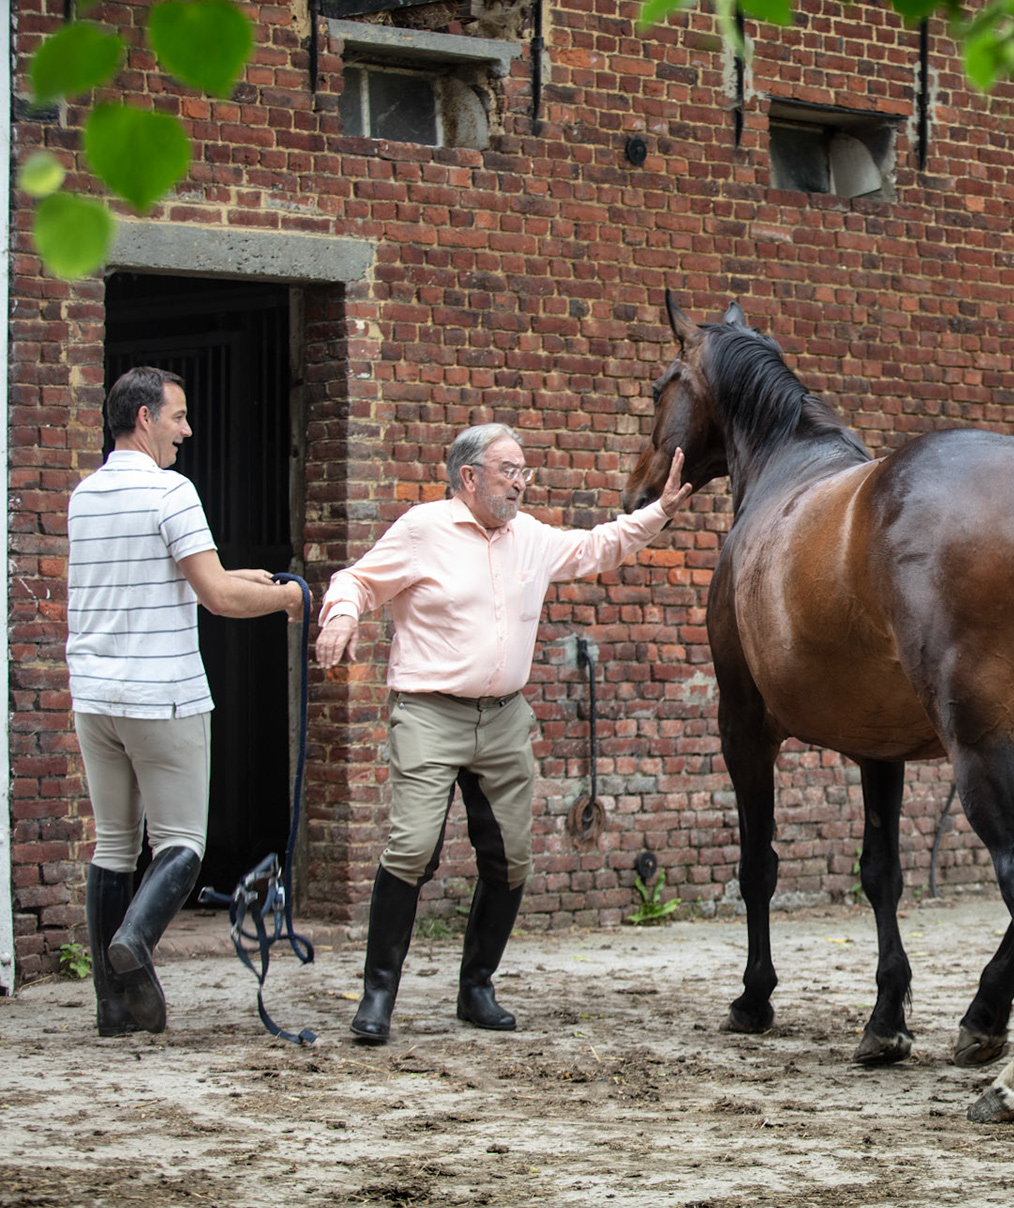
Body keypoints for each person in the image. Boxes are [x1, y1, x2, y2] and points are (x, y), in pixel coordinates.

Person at [316, 422, 690, 1044]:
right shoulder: (421, 529)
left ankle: (477, 987)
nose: (521, 483)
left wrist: (659, 511)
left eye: (524, 472)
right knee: (411, 850)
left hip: (504, 719)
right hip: (431, 714)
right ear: (469, 477)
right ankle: (378, 994)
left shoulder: (530, 538)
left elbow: (599, 546)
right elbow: (357, 579)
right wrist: (342, 616)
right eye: (509, 471)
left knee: (512, 858)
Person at [70, 366, 305, 1037]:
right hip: (163, 696)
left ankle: (113, 1006)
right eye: (177, 416)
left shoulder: (85, 496)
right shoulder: (172, 492)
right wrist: (289, 597)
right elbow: (218, 599)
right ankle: (137, 941)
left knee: (114, 845)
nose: (187, 430)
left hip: (96, 697)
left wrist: (242, 575)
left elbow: (172, 577)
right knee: (182, 844)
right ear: (144, 419)